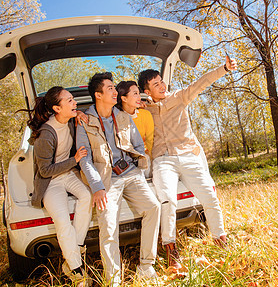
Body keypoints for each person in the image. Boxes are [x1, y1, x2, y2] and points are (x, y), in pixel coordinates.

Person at [138, 56, 238, 270]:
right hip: (163, 161)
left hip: (187, 156)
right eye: (156, 84)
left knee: (210, 198)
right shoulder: (144, 110)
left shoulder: (179, 97)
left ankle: (221, 242)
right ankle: (171, 250)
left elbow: (201, 82)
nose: (162, 86)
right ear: (148, 92)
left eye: (162, 81)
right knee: (167, 200)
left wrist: (224, 69)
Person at [76, 72, 161, 286]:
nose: (115, 92)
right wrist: (97, 187)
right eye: (110, 88)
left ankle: (146, 265)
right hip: (106, 180)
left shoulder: (123, 116)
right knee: (108, 227)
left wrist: (138, 165)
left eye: (115, 88)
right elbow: (84, 160)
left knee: (153, 208)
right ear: (98, 94)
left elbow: (138, 145)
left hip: (131, 173)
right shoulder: (84, 121)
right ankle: (113, 280)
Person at [28, 86, 93, 286]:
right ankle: (76, 270)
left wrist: (79, 113)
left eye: (73, 100)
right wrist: (75, 159)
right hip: (50, 182)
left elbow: (79, 117)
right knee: (63, 222)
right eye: (70, 101)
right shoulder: (45, 134)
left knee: (87, 197)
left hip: (68, 174)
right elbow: (45, 171)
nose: (75, 103)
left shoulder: (71, 121)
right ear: (57, 108)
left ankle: (77, 246)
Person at [115, 80, 154, 177]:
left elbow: (150, 141)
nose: (139, 97)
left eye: (139, 93)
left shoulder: (145, 114)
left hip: (143, 158)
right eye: (135, 94)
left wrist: (154, 160)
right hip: (123, 162)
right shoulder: (115, 118)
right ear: (124, 98)